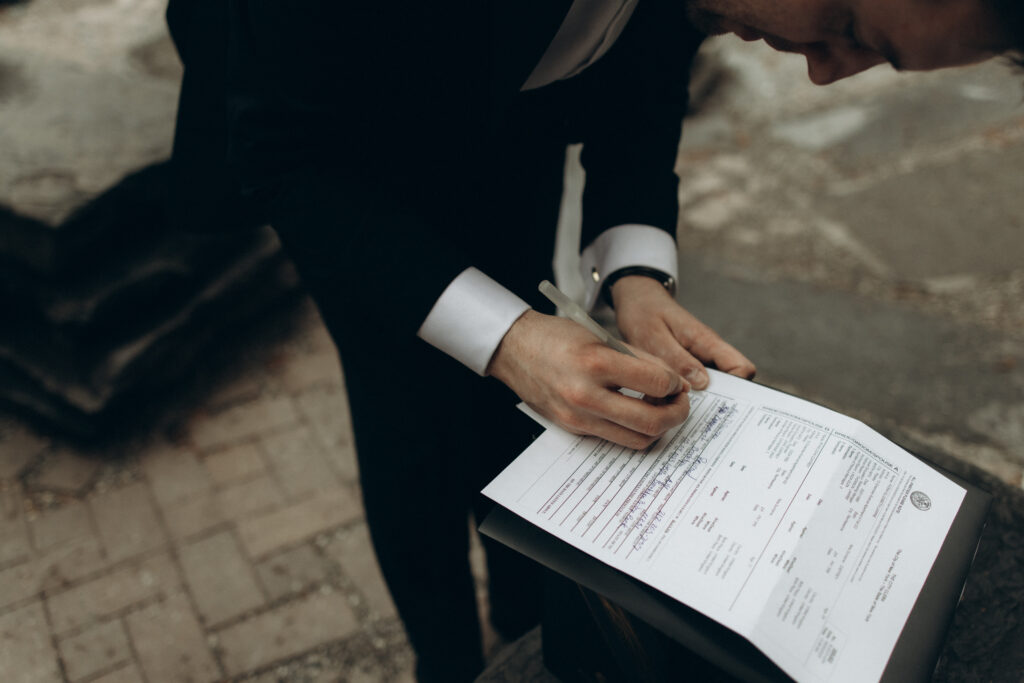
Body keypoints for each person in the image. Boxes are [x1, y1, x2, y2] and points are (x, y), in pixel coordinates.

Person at [165, 1, 1018, 680]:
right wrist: (506, 338)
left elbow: (646, 58)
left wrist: (634, 274)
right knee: (406, 409)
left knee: (524, 400)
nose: (827, 74)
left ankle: (522, 621)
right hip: (332, 149)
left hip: (506, 114)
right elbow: (284, 157)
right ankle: (447, 656)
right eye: (848, 30)